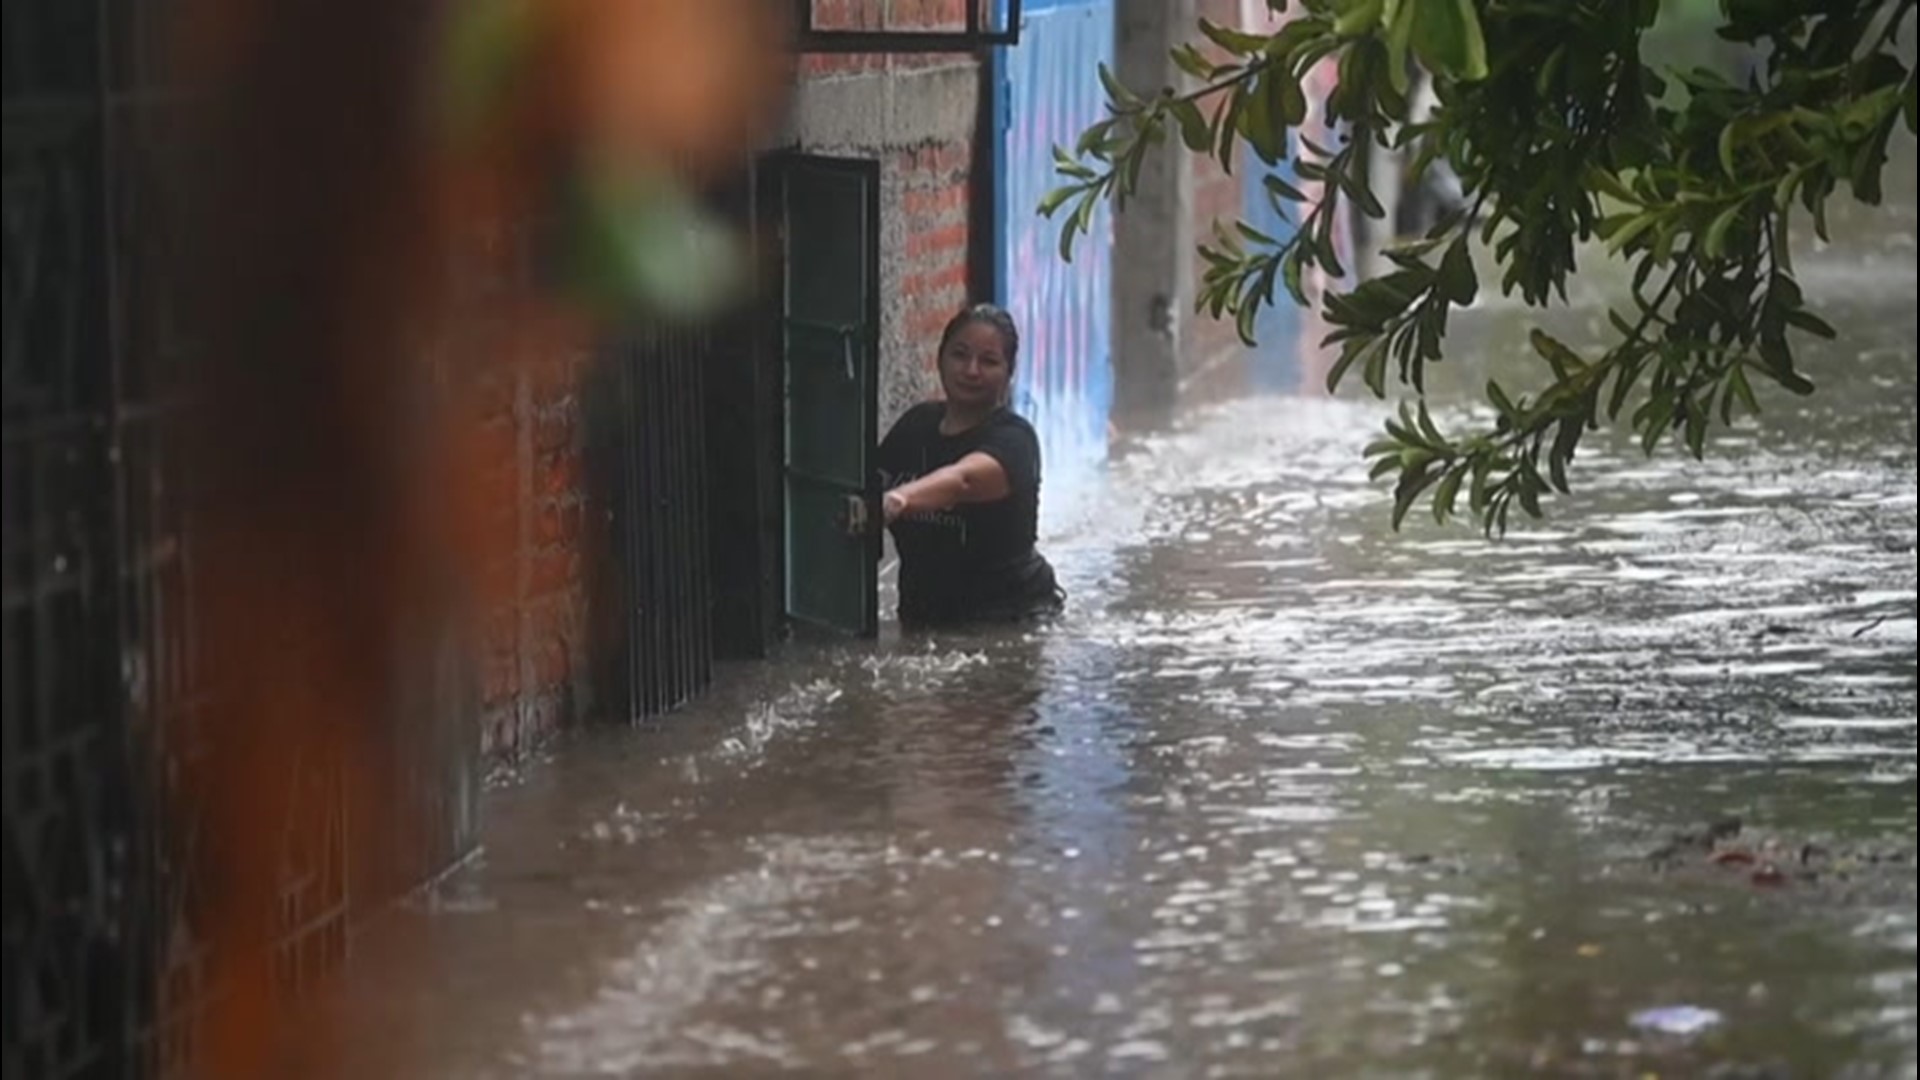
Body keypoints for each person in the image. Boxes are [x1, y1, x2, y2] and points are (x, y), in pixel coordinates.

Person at [874, 303, 1065, 629]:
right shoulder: (915, 426)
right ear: (940, 359)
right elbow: (867, 482)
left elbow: (963, 480)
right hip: (925, 618)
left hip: (1012, 618)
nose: (971, 370)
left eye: (988, 361)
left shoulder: (1015, 439)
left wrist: (899, 499)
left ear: (1008, 372)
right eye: (960, 355)